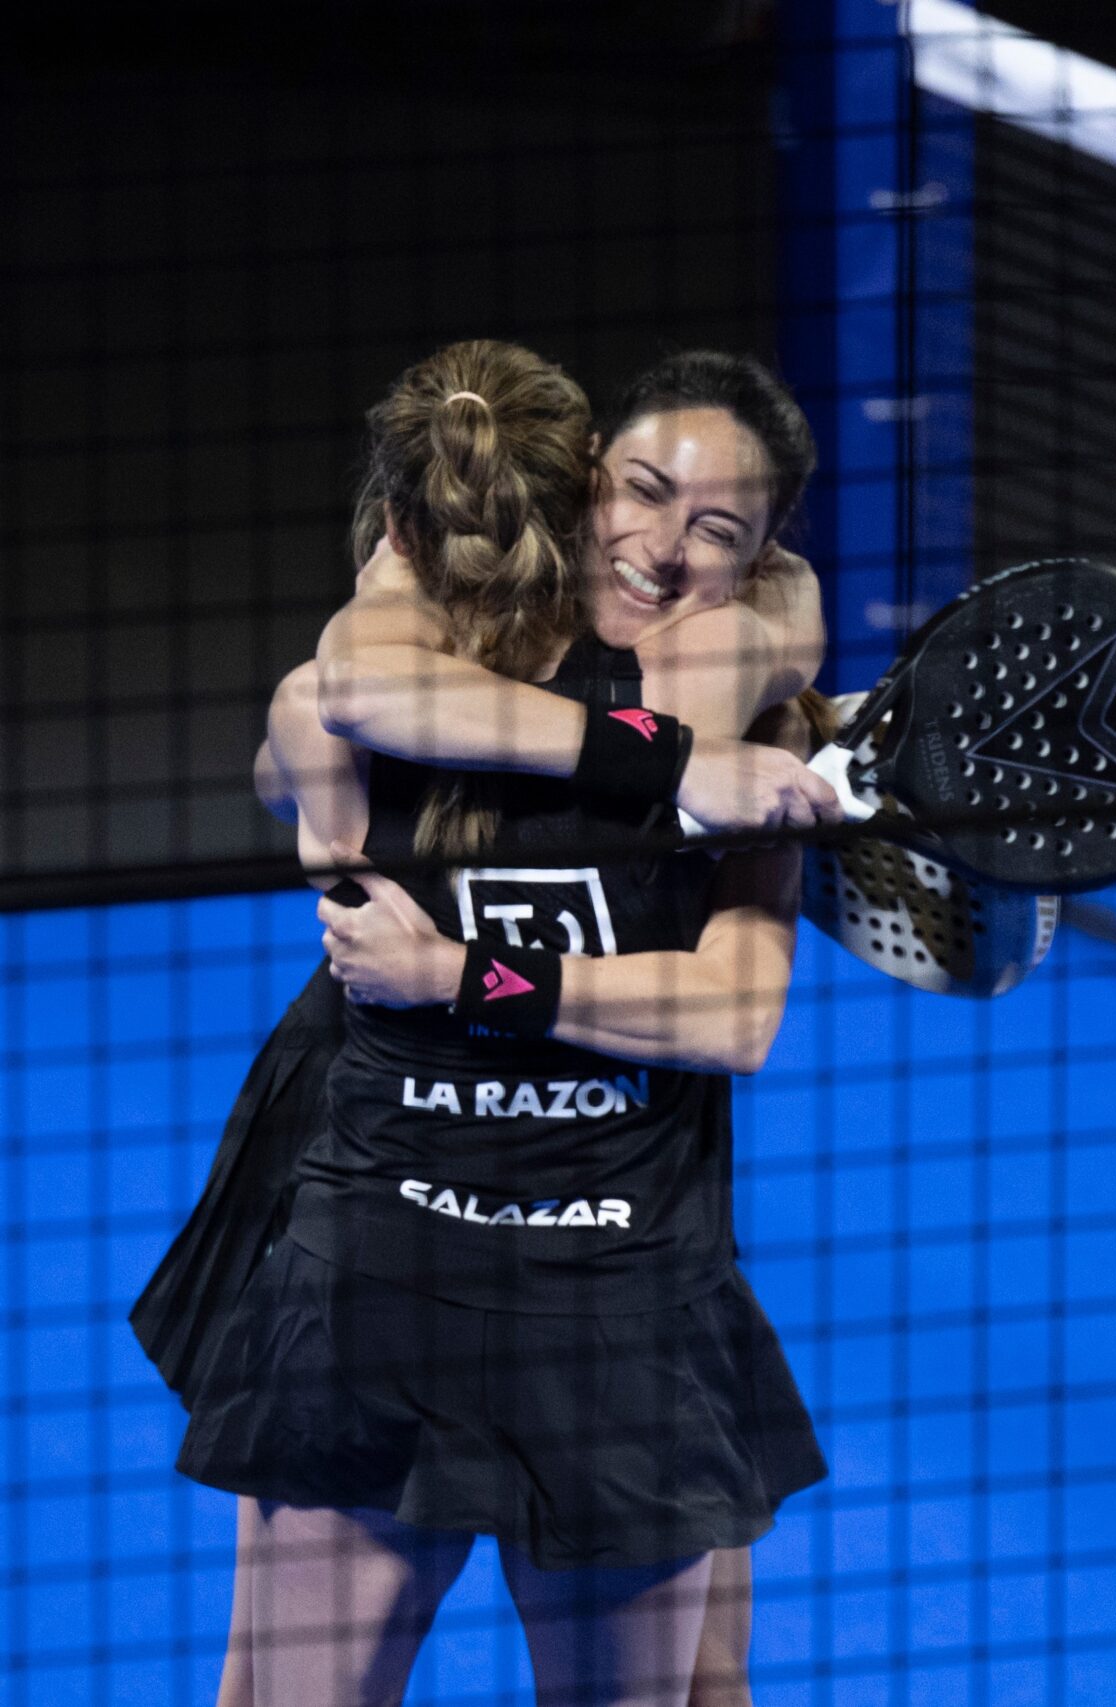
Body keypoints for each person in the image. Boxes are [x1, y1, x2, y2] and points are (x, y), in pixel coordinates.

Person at [170, 340, 838, 1705]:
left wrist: (463, 973)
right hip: (385, 1253)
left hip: (622, 1276)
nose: (666, 548)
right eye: (642, 491)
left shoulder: (752, 670)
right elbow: (322, 708)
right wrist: (671, 762)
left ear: (764, 553)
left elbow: (736, 1018)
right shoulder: (415, 634)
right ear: (584, 475)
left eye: (721, 530)